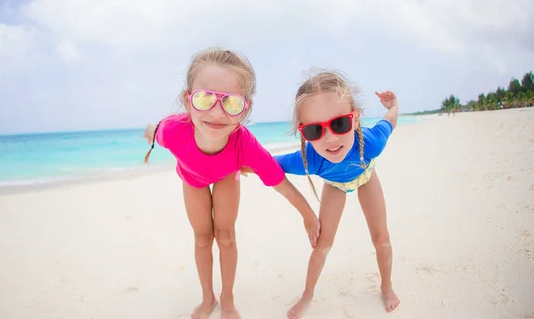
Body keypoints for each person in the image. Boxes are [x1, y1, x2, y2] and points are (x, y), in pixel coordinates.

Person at [142, 48, 320, 319]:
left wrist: (308, 216)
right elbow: (155, 132)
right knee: (203, 238)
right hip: (192, 179)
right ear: (187, 101)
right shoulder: (172, 131)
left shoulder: (245, 144)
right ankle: (207, 298)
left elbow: (279, 183)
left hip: (226, 176)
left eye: (232, 103)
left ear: (245, 109)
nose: (217, 112)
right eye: (204, 98)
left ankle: (227, 297)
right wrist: (150, 133)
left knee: (225, 236)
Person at [273, 69, 401, 318]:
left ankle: (386, 286)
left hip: (366, 176)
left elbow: (390, 120)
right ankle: (307, 295)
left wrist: (393, 105)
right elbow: (264, 163)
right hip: (335, 185)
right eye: (314, 131)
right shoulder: (310, 159)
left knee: (381, 239)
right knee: (322, 245)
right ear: (303, 132)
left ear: (354, 119)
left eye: (339, 123)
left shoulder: (372, 142)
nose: (330, 139)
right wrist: (230, 163)